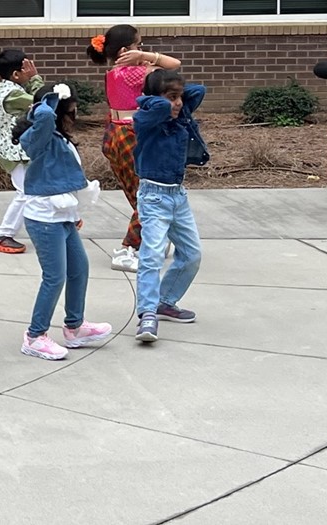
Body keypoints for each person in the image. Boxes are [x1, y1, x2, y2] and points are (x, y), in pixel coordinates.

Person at [14, 84, 113, 360]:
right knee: (54, 277)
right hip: (44, 217)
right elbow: (44, 116)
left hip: (63, 215)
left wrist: (76, 213)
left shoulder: (59, 138)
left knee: (79, 268)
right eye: (71, 109)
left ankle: (75, 326)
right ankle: (35, 336)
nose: (76, 113)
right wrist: (51, 98)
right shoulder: (41, 136)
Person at [85, 24, 181, 273]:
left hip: (114, 134)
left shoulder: (112, 73)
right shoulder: (137, 73)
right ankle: (130, 248)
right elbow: (173, 65)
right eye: (140, 45)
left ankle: (153, 237)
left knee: (135, 192)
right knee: (147, 195)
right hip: (133, 135)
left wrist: (140, 56)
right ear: (127, 50)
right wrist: (147, 58)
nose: (144, 50)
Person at [131, 70, 205, 343]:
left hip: (178, 197)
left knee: (191, 254)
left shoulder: (181, 115)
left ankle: (165, 300)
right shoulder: (146, 121)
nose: (177, 103)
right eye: (171, 98)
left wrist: (176, 94)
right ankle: (147, 313)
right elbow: (159, 106)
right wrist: (156, 99)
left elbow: (199, 90)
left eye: (179, 97)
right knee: (151, 257)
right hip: (153, 197)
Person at [0, 49, 43, 255]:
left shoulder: (10, 87)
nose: (30, 71)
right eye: (26, 69)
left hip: (19, 152)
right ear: (16, 74)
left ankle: (66, 218)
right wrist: (36, 79)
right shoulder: (13, 94)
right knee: (25, 193)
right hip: (15, 153)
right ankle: (3, 234)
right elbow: (41, 102)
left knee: (33, 189)